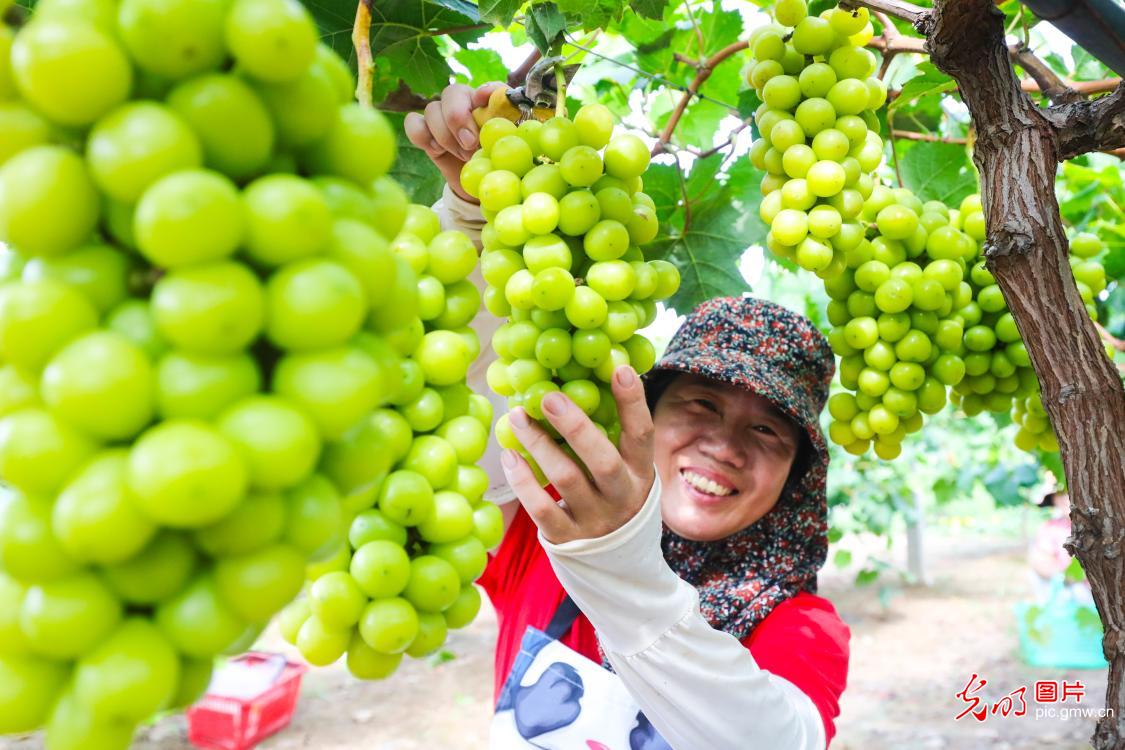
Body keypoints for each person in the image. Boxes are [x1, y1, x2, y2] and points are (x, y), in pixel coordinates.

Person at [405, 84, 851, 750]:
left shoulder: (797, 622)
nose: (724, 447)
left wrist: (622, 566)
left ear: (793, 479)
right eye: (699, 404)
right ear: (638, 416)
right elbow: (471, 396)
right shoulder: (552, 531)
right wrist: (471, 218)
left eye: (765, 432)